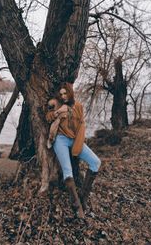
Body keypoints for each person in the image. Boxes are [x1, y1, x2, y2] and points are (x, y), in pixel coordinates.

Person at [46, 82, 101, 218]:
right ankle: (76, 206)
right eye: (61, 94)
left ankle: (82, 198)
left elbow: (81, 124)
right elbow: (48, 117)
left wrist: (79, 142)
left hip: (75, 139)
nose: (63, 96)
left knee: (96, 162)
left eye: (66, 93)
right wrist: (57, 111)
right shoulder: (56, 104)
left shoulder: (78, 106)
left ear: (70, 93)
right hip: (60, 140)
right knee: (68, 172)